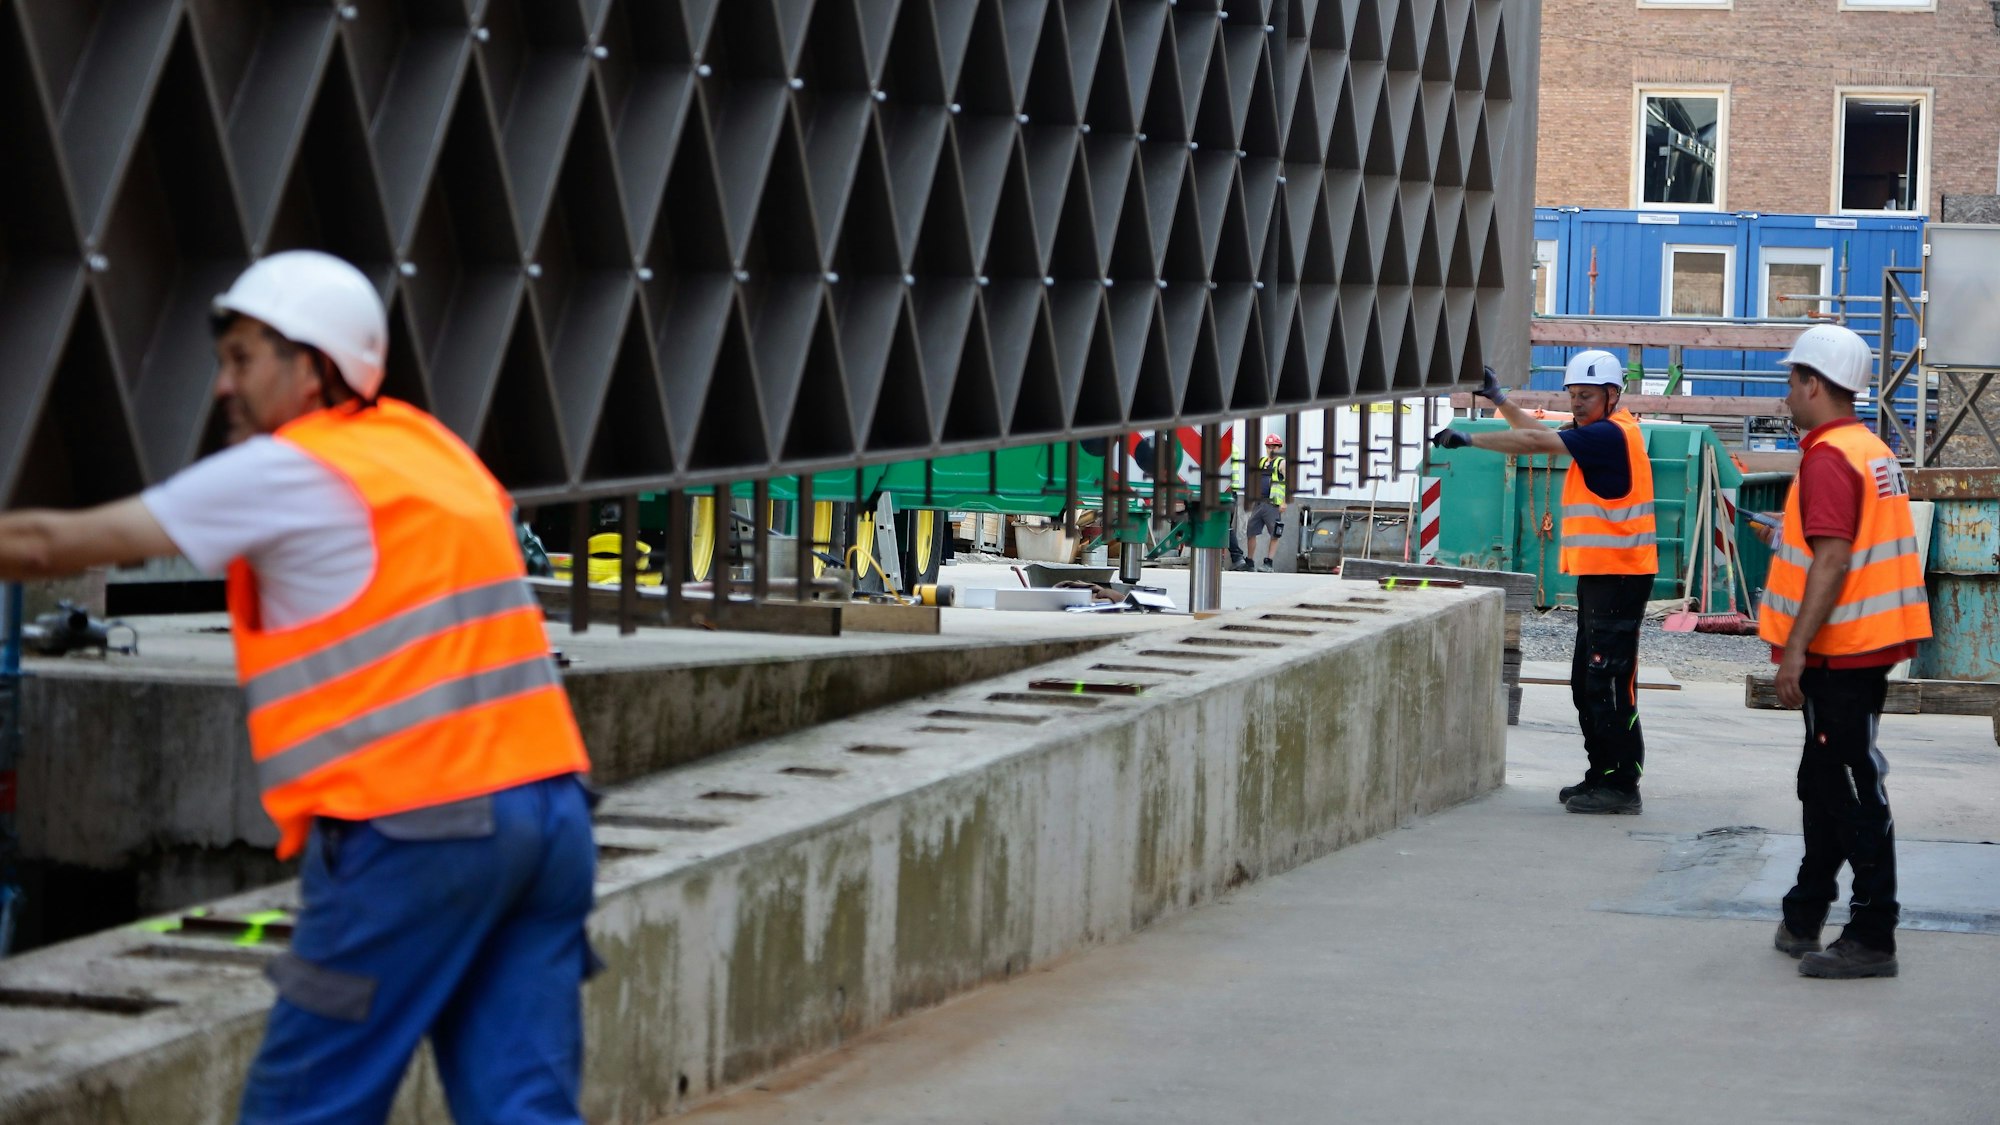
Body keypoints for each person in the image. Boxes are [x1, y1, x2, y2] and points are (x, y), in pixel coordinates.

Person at [0, 250, 599, 1121]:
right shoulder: (434, 451)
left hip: (417, 835)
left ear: (313, 367)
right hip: (551, 822)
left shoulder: (288, 470)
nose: (220, 387)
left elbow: (55, 544)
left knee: (304, 1105)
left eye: (243, 360)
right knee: (523, 1106)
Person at [1757, 323, 1930, 980]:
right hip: (1865, 645)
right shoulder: (1870, 449)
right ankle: (1806, 911)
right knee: (1824, 782)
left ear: (1814, 383)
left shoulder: (1830, 457)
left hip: (1841, 651)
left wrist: (1795, 651)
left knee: (1853, 789)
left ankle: (1872, 932)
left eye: (1792, 381)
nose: (1787, 394)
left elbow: (1830, 560)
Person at [1432, 355, 1657, 814]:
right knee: (1586, 680)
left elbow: (1534, 441)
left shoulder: (1611, 435)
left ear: (1613, 396)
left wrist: (1470, 438)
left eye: (1586, 396)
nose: (1577, 404)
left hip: (1620, 575)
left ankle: (1621, 784)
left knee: (1609, 681)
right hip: (1603, 575)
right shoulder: (1601, 430)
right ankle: (1601, 774)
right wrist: (1497, 398)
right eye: (1573, 396)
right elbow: (1531, 432)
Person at [1243, 433, 1288, 571]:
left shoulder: (1281, 463)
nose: (1271, 449)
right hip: (1259, 503)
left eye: (1274, 446)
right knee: (1251, 530)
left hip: (1272, 505)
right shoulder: (1261, 462)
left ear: (1279, 447)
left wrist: (1284, 502)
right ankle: (1249, 562)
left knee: (1274, 533)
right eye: (1268, 446)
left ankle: (1269, 563)